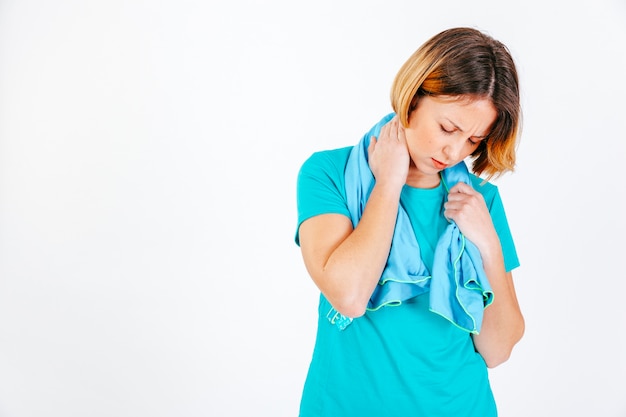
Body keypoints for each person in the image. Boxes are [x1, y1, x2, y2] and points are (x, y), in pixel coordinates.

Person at [294, 27, 525, 416]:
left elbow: (498, 349)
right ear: (413, 96)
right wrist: (387, 183)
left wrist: (488, 243)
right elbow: (349, 296)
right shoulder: (328, 173)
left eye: (473, 140)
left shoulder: (479, 203)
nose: (454, 150)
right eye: (448, 128)